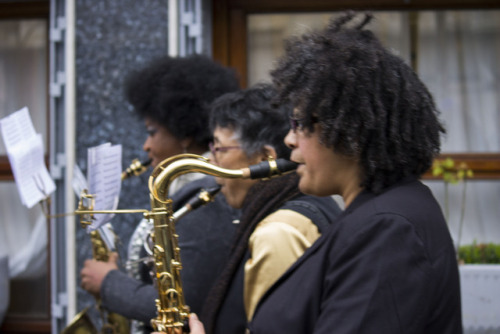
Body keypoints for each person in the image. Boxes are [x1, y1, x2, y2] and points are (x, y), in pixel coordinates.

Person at [172, 11, 463, 334]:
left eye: (299, 124)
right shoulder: (379, 213)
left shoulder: (387, 228)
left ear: (347, 129)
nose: (288, 139)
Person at [80, 54, 241, 333]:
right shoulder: (184, 186)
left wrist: (109, 282)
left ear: (184, 133)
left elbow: (185, 302)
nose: (145, 145)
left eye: (152, 132)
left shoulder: (207, 196)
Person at [198, 83, 342, 334]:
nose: (211, 161)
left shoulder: (278, 233)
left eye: (219, 149)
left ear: (266, 157)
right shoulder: (309, 201)